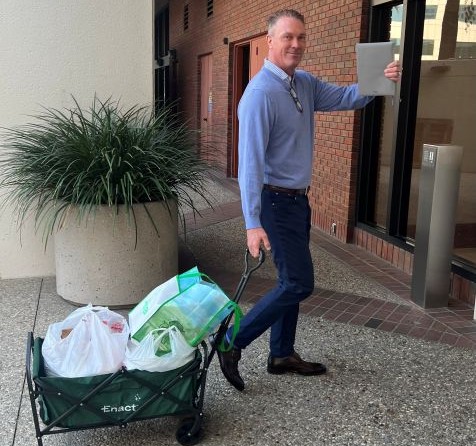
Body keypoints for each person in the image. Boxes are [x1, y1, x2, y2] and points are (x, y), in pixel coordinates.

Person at [216, 9, 401, 391]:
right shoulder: (259, 95)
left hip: (297, 201)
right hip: (274, 201)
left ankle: (281, 354)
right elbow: (249, 166)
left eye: (301, 37)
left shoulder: (304, 83)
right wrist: (252, 223)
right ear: (270, 41)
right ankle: (232, 341)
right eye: (287, 37)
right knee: (299, 283)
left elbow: (351, 97)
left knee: (290, 280)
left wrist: (379, 80)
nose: (296, 45)